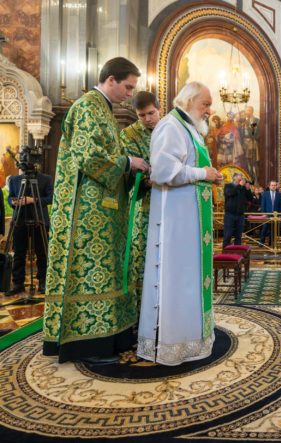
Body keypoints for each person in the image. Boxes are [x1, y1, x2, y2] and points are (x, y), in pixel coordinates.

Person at [42, 57, 150, 363]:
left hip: (105, 211)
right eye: (127, 86)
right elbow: (90, 157)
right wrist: (130, 162)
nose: (130, 94)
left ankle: (111, 337)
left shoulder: (105, 110)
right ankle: (88, 344)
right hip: (86, 212)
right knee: (91, 271)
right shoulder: (88, 106)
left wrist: (135, 172)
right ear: (111, 79)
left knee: (108, 272)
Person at [137, 81, 223, 366]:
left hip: (191, 225)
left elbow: (190, 169)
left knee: (191, 280)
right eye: (205, 104)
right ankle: (173, 343)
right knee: (178, 280)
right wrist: (203, 173)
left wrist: (210, 175)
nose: (209, 110)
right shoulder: (170, 126)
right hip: (176, 225)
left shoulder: (190, 129)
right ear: (188, 100)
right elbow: (162, 171)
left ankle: (192, 339)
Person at [120, 91, 160, 308]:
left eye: (151, 113)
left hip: (171, 203)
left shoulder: (169, 129)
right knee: (144, 254)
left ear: (159, 109)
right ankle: (143, 309)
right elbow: (132, 171)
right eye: (141, 115)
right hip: (144, 205)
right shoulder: (129, 135)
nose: (147, 119)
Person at [6, 169, 53, 295]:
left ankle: (43, 282)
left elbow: (51, 198)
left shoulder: (46, 179)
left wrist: (33, 200)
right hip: (19, 220)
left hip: (40, 220)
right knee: (19, 253)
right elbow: (10, 197)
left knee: (42, 253)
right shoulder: (14, 179)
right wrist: (13, 202)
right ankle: (18, 283)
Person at [223, 173, 253, 247]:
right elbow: (229, 193)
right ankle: (225, 251)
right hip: (230, 214)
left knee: (238, 235)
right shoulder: (228, 186)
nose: (242, 179)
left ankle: (237, 251)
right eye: (240, 177)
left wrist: (248, 189)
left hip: (240, 215)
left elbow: (250, 198)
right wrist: (239, 185)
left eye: (242, 178)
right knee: (228, 234)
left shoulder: (243, 188)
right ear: (234, 178)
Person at [259, 180, 281, 246]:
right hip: (267, 215)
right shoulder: (265, 194)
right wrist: (263, 214)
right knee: (264, 229)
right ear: (269, 186)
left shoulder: (279, 195)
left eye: (275, 185)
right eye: (272, 185)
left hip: (275, 215)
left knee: (273, 230)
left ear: (276, 186)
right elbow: (263, 205)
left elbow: (280, 206)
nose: (273, 186)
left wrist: (280, 214)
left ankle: (271, 243)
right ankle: (261, 242)